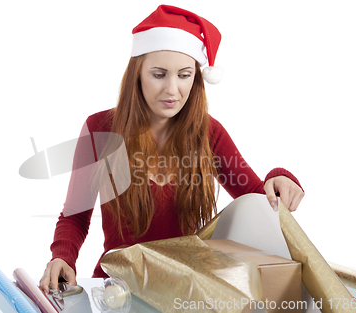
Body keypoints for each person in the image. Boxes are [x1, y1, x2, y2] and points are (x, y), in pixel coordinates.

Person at [39, 5, 304, 293]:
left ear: (196, 78)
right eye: (159, 74)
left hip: (184, 293)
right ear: (137, 74)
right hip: (117, 290)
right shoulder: (99, 130)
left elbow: (256, 200)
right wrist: (62, 257)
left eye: (184, 75)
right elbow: (76, 215)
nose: (172, 90)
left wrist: (279, 178)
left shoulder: (208, 133)